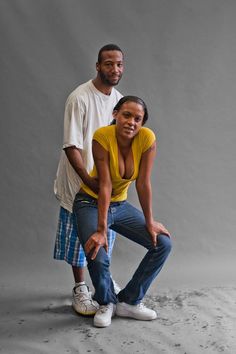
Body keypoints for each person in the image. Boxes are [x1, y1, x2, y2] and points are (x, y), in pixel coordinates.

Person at [73, 96, 172, 328]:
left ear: (142, 123)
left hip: (120, 205)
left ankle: (129, 301)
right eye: (126, 115)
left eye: (138, 119)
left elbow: (143, 183)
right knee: (98, 250)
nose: (131, 122)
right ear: (115, 114)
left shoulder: (147, 139)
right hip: (89, 202)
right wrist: (100, 229)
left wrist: (149, 221)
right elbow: (105, 184)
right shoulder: (102, 136)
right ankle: (106, 301)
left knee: (163, 244)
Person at [53, 44, 124, 316]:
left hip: (105, 184)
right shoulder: (80, 98)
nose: (114, 69)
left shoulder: (118, 100)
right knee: (78, 237)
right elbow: (71, 145)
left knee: (104, 234)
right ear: (97, 66)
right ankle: (80, 287)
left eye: (118, 64)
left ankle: (102, 282)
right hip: (79, 182)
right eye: (108, 64)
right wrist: (87, 180)